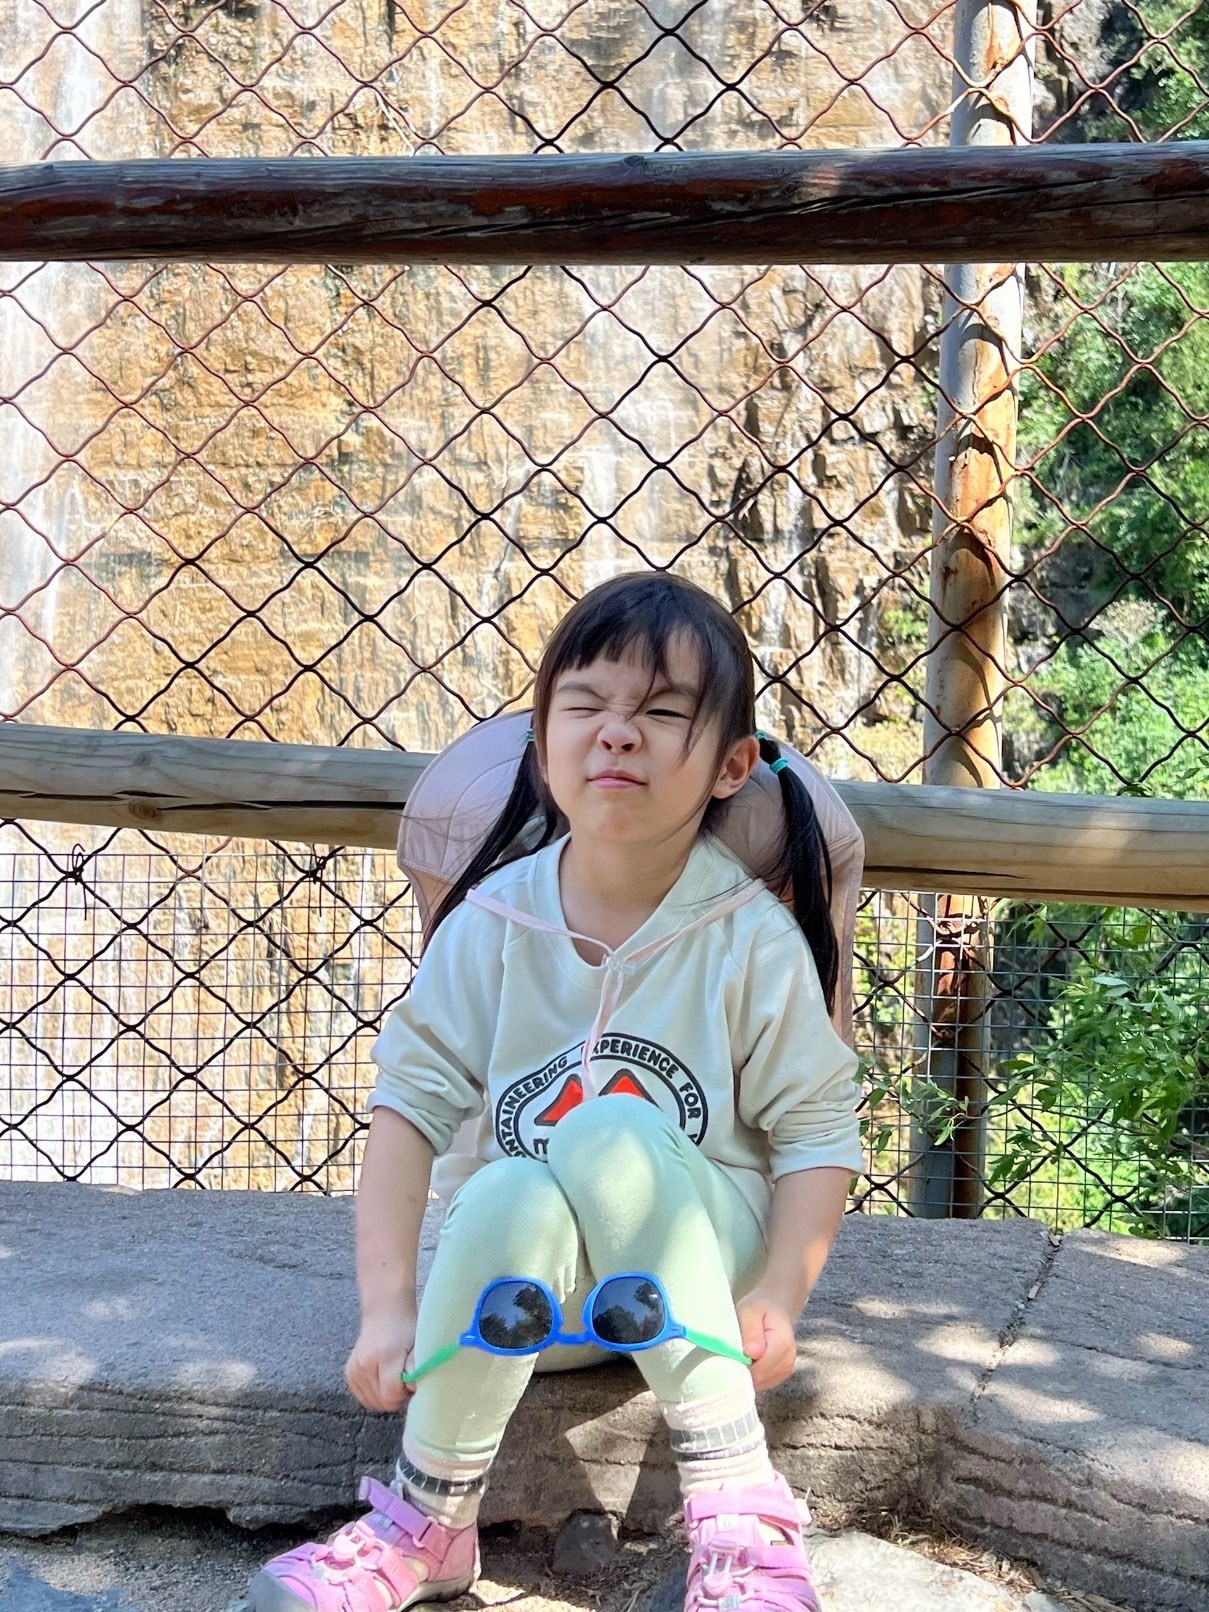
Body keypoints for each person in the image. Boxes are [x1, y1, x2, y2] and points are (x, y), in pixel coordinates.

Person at [249, 571, 865, 1612]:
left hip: (698, 1284)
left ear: (731, 766)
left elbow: (815, 1129)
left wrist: (776, 1295)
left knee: (608, 1128)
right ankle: (427, 1525)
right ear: (543, 749)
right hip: (529, 1300)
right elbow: (407, 1108)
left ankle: (738, 1508)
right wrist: (389, 1308)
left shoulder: (748, 939)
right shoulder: (491, 923)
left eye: (661, 712)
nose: (616, 732)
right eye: (585, 705)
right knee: (503, 1188)